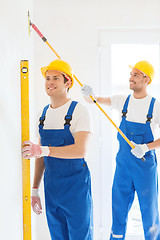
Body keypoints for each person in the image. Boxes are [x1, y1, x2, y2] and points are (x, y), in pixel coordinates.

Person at [81, 60, 160, 240]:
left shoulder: (155, 106)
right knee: (118, 209)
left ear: (146, 79)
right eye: (131, 74)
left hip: (145, 166)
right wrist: (88, 94)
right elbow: (95, 101)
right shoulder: (122, 100)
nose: (130, 78)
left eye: (136, 75)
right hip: (123, 165)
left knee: (150, 212)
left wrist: (146, 147)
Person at [22, 59, 93, 240]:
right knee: (57, 236)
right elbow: (40, 155)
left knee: (80, 236)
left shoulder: (79, 111)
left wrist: (43, 150)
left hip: (75, 186)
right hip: (52, 186)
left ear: (68, 82)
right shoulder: (42, 114)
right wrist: (35, 189)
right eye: (47, 78)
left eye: (55, 78)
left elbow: (80, 150)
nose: (50, 82)